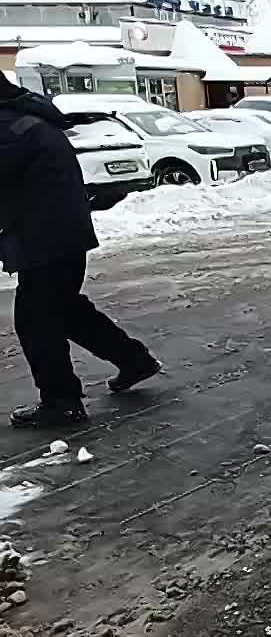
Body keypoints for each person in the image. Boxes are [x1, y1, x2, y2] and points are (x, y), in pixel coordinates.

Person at [0, 72, 161, 428]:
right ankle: (134, 360)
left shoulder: (9, 131)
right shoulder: (22, 119)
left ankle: (61, 402)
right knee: (65, 310)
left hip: (45, 237)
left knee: (35, 320)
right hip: (58, 234)